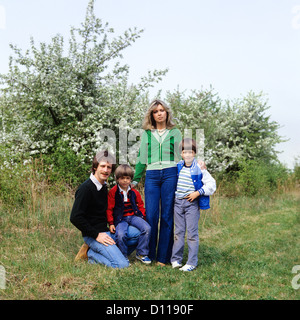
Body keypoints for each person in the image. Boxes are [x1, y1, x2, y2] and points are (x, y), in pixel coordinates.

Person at [131, 99, 183, 266]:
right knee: (151, 215)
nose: (159, 113)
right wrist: (135, 179)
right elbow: (141, 158)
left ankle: (163, 257)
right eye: (155, 111)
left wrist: (193, 170)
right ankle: (149, 254)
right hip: (152, 175)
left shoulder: (175, 132)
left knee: (167, 215)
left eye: (162, 110)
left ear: (166, 113)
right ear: (151, 115)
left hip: (170, 173)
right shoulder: (147, 134)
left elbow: (182, 156)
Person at [70, 150, 140, 269]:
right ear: (95, 167)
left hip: (107, 231)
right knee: (122, 265)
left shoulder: (103, 186)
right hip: (94, 235)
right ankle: (91, 254)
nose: (106, 170)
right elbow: (75, 217)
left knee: (139, 233)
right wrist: (96, 235)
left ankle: (111, 252)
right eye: (102, 166)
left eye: (109, 167)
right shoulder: (85, 189)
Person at [171, 138, 216, 272]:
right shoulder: (178, 166)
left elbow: (211, 185)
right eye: (185, 152)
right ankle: (176, 259)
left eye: (191, 152)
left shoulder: (199, 168)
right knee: (178, 232)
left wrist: (198, 193)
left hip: (191, 204)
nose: (188, 155)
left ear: (195, 153)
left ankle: (191, 262)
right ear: (182, 154)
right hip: (178, 203)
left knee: (191, 233)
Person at [106, 164, 151, 264]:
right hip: (120, 219)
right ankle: (123, 255)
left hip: (134, 216)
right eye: (122, 178)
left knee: (147, 228)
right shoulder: (113, 192)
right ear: (117, 179)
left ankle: (141, 253)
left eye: (128, 178)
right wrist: (111, 223)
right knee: (121, 234)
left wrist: (142, 217)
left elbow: (140, 205)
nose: (125, 181)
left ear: (131, 179)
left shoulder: (134, 192)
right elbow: (109, 209)